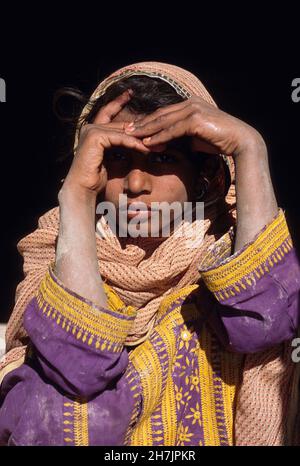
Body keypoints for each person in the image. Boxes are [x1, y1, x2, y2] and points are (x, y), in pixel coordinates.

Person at [0, 62, 299, 446]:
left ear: (201, 175)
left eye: (163, 159)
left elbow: (266, 323)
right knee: (50, 399)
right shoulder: (55, 243)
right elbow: (77, 369)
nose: (137, 184)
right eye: (118, 158)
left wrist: (249, 147)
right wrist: (77, 195)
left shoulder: (228, 244)